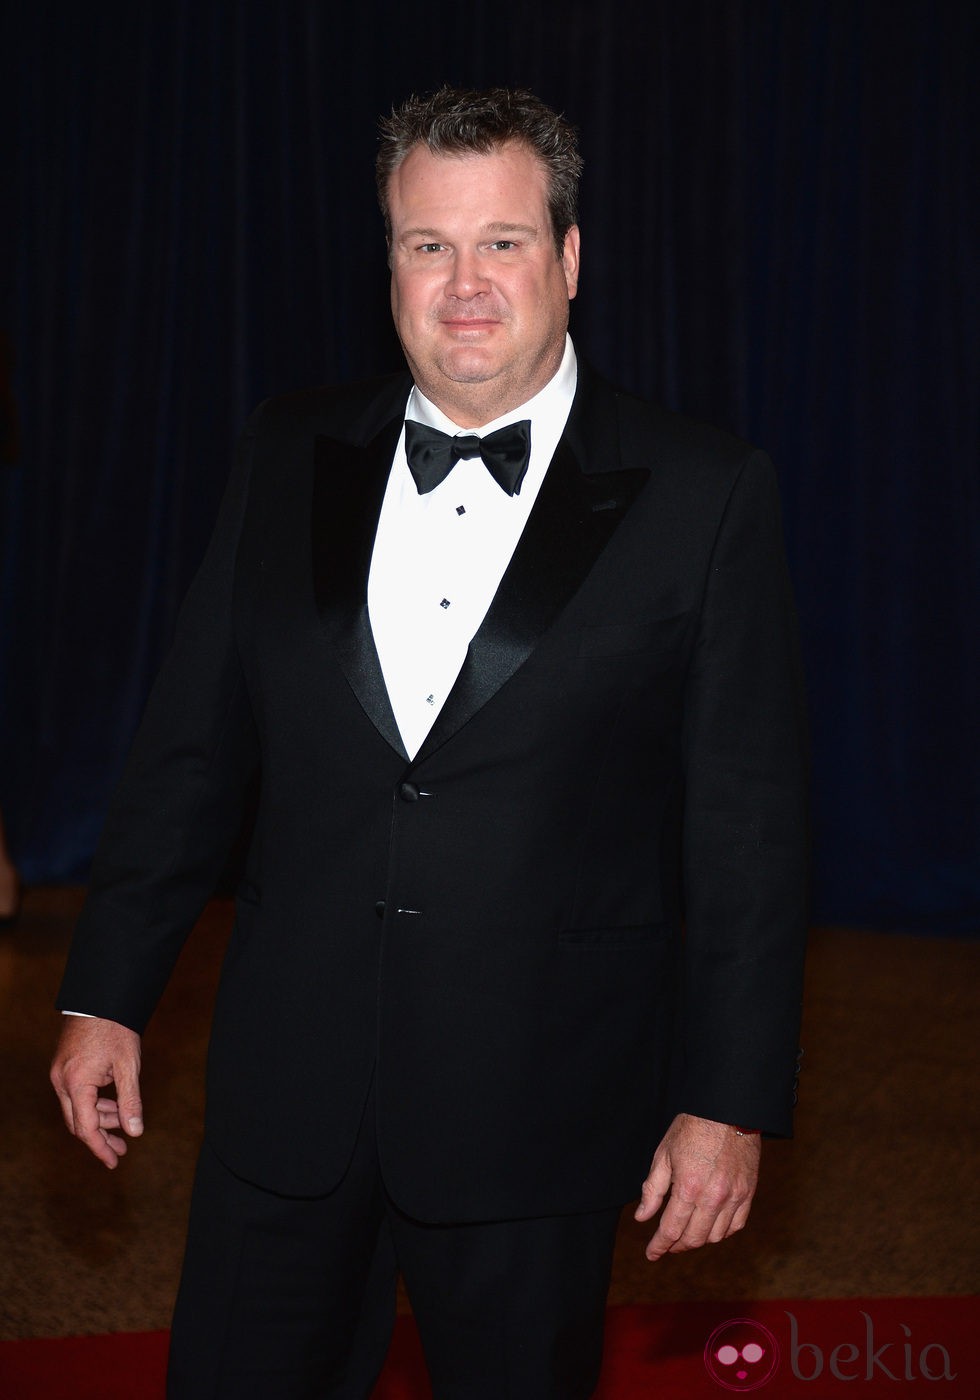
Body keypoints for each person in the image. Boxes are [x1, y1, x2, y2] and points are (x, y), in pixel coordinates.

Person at [50, 86, 808, 1399]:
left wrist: (729, 1097)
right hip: (287, 1097)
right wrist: (108, 986)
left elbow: (746, 828)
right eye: (427, 245)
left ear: (569, 261)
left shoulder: (705, 492)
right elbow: (190, 747)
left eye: (503, 241)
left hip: (539, 1109)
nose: (465, 285)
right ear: (389, 260)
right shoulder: (289, 450)